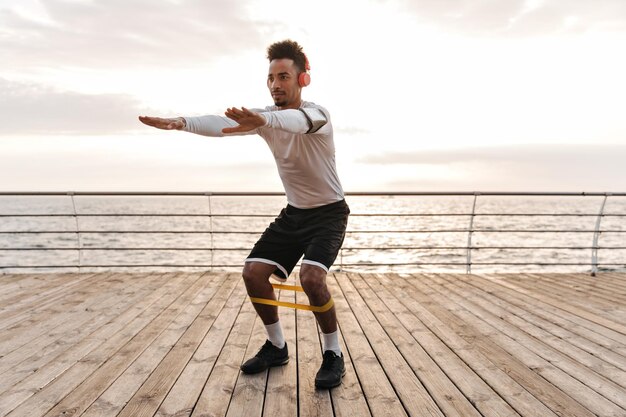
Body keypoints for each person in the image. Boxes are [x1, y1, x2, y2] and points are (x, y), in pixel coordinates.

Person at [138, 39, 349, 389]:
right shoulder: (265, 119)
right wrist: (180, 122)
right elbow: (221, 123)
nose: (276, 84)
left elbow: (297, 122)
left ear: (303, 80)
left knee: (312, 279)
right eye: (271, 77)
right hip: (294, 214)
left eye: (284, 76)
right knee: (252, 273)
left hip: (329, 213)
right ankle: (277, 346)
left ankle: (333, 354)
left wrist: (262, 119)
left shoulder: (318, 115)